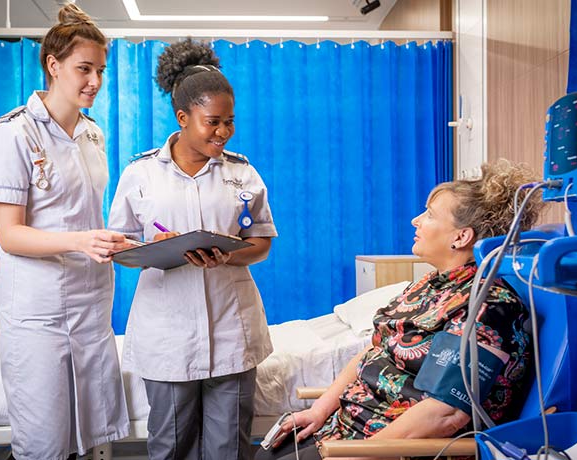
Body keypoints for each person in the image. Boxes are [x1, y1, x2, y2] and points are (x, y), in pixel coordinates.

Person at [256, 161, 544, 460]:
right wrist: (319, 410)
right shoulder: (433, 284)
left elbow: (444, 416)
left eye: (430, 215)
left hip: (391, 448)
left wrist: (353, 455)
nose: (415, 221)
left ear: (461, 237)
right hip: (347, 428)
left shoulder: (487, 308)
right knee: (266, 454)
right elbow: (374, 351)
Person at [108, 38, 278, 460]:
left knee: (230, 448)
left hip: (231, 329)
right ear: (183, 117)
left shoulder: (243, 173)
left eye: (229, 122)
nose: (223, 132)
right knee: (171, 446)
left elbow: (261, 243)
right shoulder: (140, 173)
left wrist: (229, 254)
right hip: (167, 333)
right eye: (212, 122)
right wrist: (154, 246)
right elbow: (119, 246)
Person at [0, 4, 131, 459]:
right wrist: (80, 240)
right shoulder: (14, 135)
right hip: (36, 310)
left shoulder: (92, 135)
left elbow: (87, 214)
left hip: (90, 304)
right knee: (44, 441)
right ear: (53, 65)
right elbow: (10, 235)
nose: (95, 82)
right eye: (84, 69)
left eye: (101, 70)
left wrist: (116, 240)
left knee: (91, 435)